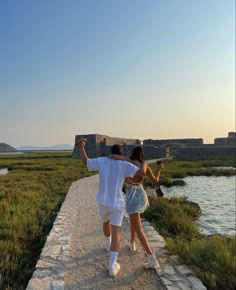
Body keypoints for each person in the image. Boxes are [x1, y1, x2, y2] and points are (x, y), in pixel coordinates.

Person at [78, 138, 146, 277]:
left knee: (105, 222)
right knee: (117, 232)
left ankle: (107, 243)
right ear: (121, 153)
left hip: (102, 201)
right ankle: (112, 265)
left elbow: (86, 162)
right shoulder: (124, 164)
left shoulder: (102, 160)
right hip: (117, 203)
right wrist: (143, 163)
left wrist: (81, 146)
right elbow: (140, 174)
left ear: (111, 152)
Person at [110, 145, 164, 269]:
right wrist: (159, 169)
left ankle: (151, 258)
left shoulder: (127, 164)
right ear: (142, 155)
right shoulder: (144, 165)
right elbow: (155, 181)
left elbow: (114, 159)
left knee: (138, 227)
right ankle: (132, 243)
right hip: (140, 194)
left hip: (132, 195)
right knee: (134, 220)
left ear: (132, 154)